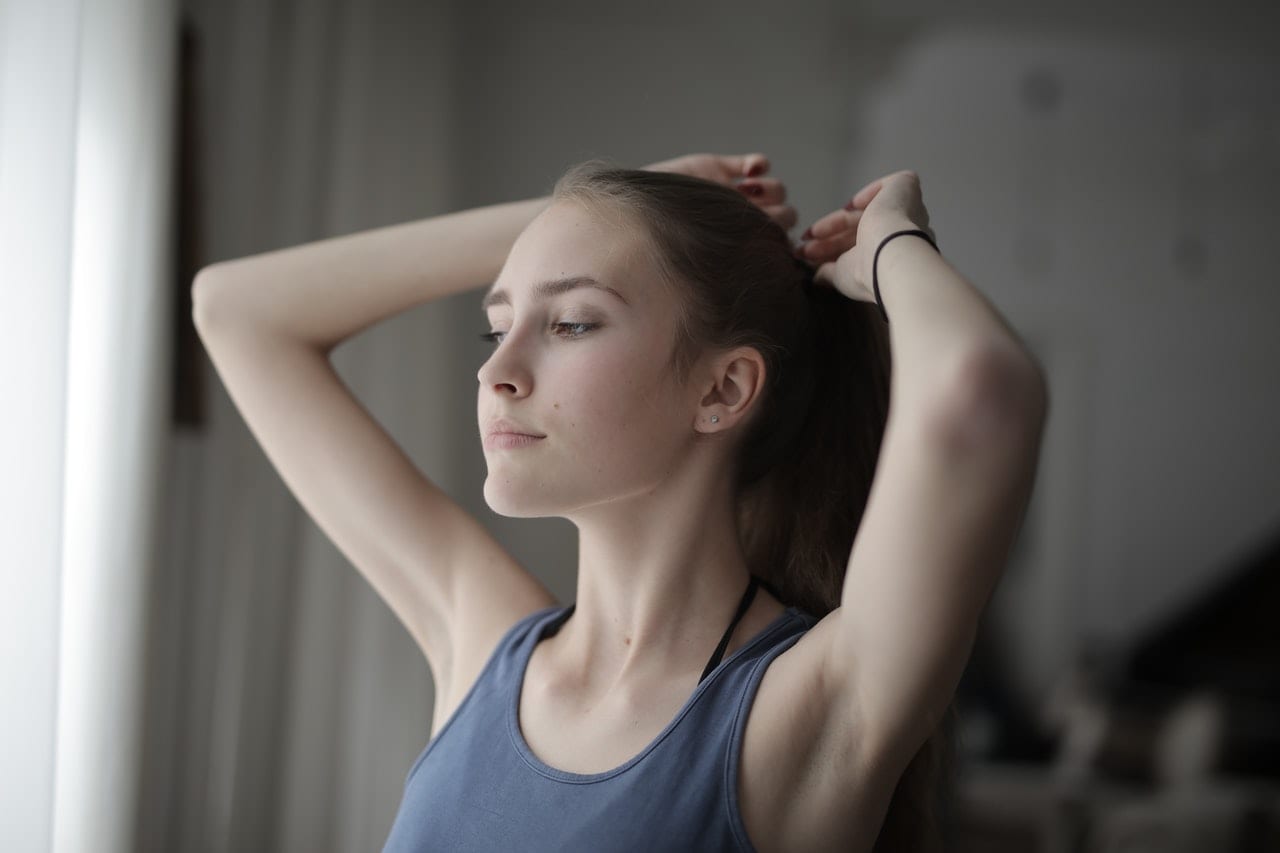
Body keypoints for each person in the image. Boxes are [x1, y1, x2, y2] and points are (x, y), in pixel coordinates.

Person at [192, 151, 1048, 852]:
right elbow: (234, 310)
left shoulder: (801, 711)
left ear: (723, 388)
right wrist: (587, 216)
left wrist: (891, 245)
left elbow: (979, 387)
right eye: (498, 325)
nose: (496, 371)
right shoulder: (483, 647)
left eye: (570, 323)